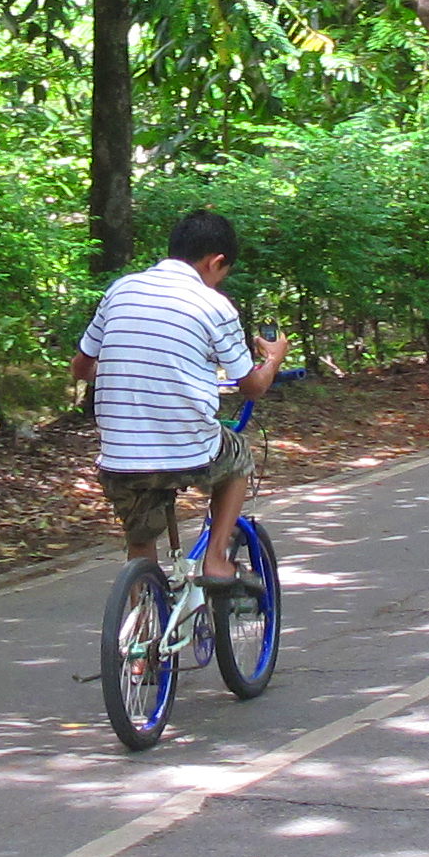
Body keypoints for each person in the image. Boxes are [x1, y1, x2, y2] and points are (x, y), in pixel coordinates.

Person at [72, 208, 292, 584]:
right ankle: (217, 559)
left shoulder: (121, 289)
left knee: (140, 542)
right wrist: (272, 359)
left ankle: (141, 608)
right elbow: (251, 386)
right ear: (216, 262)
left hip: (119, 456)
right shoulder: (214, 305)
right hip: (186, 450)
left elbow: (81, 368)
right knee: (237, 455)